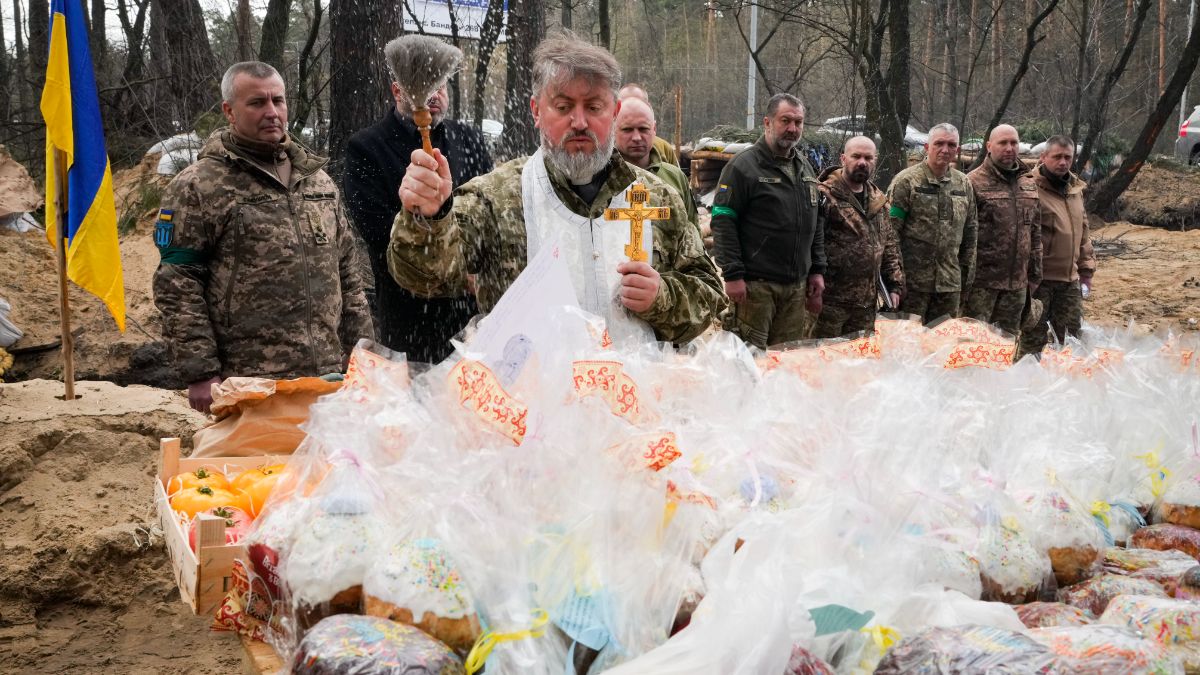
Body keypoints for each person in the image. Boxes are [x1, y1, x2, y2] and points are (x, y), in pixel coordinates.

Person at [389, 33, 724, 344]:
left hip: (633, 400)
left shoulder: (657, 197)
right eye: (563, 107)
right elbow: (425, 278)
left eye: (594, 107)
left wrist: (661, 297)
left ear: (614, 111)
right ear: (537, 111)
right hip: (533, 400)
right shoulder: (498, 197)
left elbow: (708, 294)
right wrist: (430, 219)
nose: (579, 122)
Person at [153, 61, 374, 413]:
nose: (272, 112)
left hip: (327, 378)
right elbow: (179, 284)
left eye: (278, 101)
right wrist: (200, 372)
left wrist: (364, 355)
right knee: (257, 470)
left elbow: (348, 276)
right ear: (229, 111)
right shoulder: (200, 185)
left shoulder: (318, 182)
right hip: (249, 383)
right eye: (257, 103)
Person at [342, 37, 493, 363]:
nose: (435, 95)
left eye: (440, 87)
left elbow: (487, 206)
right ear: (398, 91)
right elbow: (376, 229)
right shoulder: (367, 147)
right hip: (408, 309)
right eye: (426, 88)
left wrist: (473, 271)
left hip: (470, 310)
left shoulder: (467, 138)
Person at [710, 92, 826, 348]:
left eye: (798, 123)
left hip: (795, 289)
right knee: (748, 364)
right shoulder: (743, 166)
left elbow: (815, 221)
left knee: (785, 364)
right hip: (755, 289)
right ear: (767, 122)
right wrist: (732, 274)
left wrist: (817, 269)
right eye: (785, 121)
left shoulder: (805, 167)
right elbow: (722, 220)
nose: (792, 129)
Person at [811, 136, 904, 339]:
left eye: (868, 157)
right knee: (822, 361)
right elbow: (810, 245)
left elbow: (889, 245)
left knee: (859, 364)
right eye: (856, 156)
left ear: (875, 161)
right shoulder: (824, 196)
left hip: (865, 305)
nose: (862, 162)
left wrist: (894, 284)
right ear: (843, 158)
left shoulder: (879, 201)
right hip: (829, 303)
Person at [886, 123, 977, 324]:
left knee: (942, 345)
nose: (945, 150)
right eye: (939, 144)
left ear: (958, 150)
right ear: (927, 147)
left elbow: (970, 233)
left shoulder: (963, 184)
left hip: (949, 285)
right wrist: (896, 279)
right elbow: (890, 233)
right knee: (908, 345)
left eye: (951, 145)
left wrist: (966, 279)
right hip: (913, 284)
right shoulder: (906, 181)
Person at [1018, 135, 1096, 356]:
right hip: (1038, 282)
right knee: (1033, 340)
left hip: (1069, 281)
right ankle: (1026, 383)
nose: (1063, 162)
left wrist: (1086, 271)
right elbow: (1020, 235)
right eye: (1057, 157)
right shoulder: (1029, 188)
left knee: (1072, 341)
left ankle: (1065, 385)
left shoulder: (1075, 190)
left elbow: (1083, 232)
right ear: (1043, 157)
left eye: (1068, 158)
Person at [964, 124, 1042, 334]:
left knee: (1006, 346)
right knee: (973, 345)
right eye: (1003, 143)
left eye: (1014, 143)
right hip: (982, 286)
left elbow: (1034, 232)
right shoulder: (972, 182)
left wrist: (1035, 275)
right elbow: (962, 236)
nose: (1009, 148)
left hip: (1017, 286)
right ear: (989, 146)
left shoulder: (1028, 183)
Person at [614, 96, 698, 231]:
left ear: (654, 129)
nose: (636, 137)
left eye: (643, 129)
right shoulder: (599, 177)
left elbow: (693, 233)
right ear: (613, 129)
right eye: (627, 129)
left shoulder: (674, 178)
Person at [617, 83, 680, 167]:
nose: (636, 138)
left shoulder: (664, 149)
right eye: (627, 129)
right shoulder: (603, 157)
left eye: (639, 102)